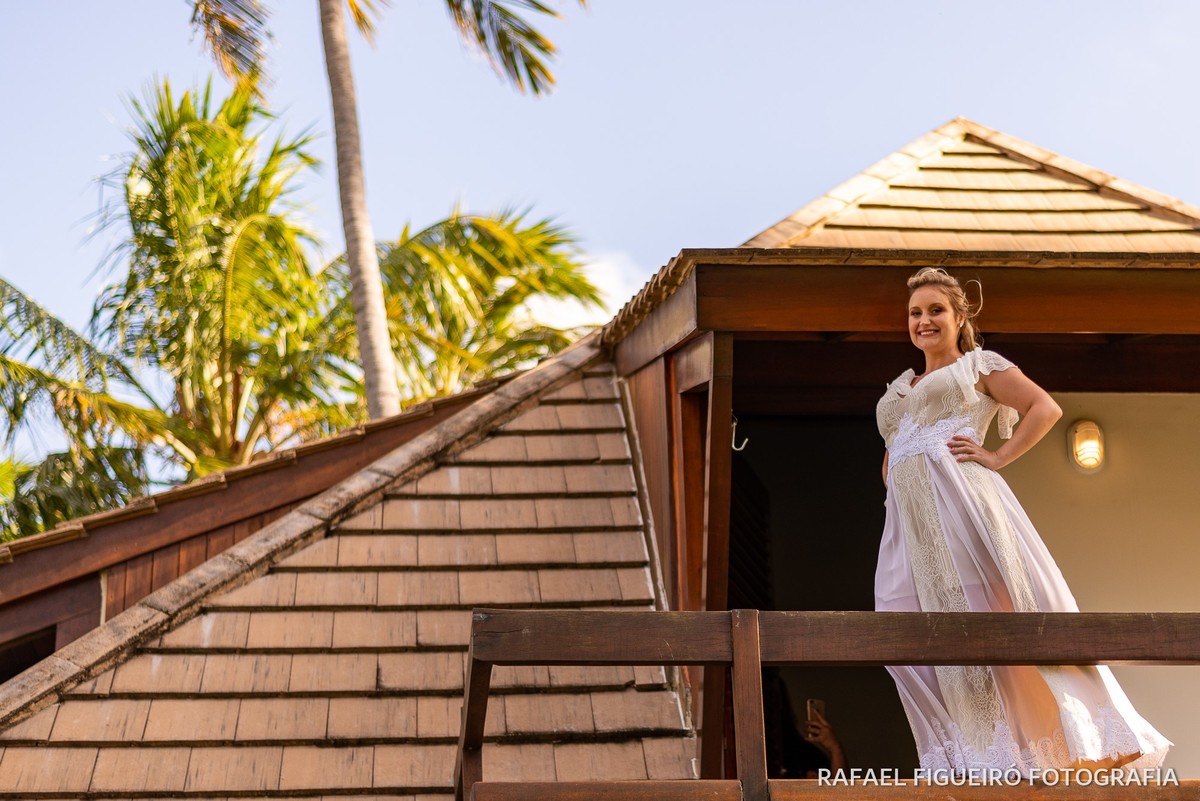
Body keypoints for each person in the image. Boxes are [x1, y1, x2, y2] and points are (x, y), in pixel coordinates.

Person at [874, 267, 1171, 776]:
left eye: (935, 310)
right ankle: (971, 752)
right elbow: (896, 450)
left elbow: (1044, 407)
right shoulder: (902, 388)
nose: (923, 321)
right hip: (911, 531)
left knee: (988, 620)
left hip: (964, 512)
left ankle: (1036, 747)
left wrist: (997, 457)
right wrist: (898, 474)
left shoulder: (978, 366)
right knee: (903, 630)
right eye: (915, 313)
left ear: (960, 316)